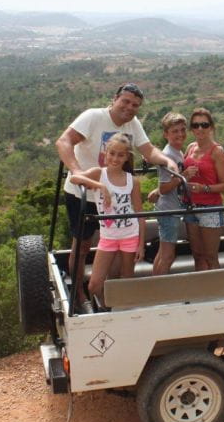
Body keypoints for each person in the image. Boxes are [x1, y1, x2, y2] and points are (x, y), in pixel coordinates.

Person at [55, 83, 177, 312]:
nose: (129, 107)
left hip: (116, 199)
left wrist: (167, 161)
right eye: (126, 101)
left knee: (114, 242)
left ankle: (110, 295)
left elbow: (148, 150)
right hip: (84, 195)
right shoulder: (93, 117)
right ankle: (79, 293)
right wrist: (77, 171)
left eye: (135, 105)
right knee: (81, 245)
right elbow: (64, 141)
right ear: (115, 99)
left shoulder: (133, 124)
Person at [67, 134, 144, 309]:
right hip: (108, 236)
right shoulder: (98, 174)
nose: (115, 158)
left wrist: (140, 243)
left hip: (129, 235)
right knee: (94, 285)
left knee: (126, 279)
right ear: (105, 153)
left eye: (121, 155)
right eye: (112, 153)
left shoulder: (133, 181)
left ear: (127, 157)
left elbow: (139, 213)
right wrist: (101, 187)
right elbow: (74, 178)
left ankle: (123, 311)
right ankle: (107, 308)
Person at [182, 108, 224, 270]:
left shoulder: (217, 152)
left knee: (210, 256)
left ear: (211, 127)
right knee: (197, 255)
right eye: (196, 125)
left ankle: (218, 293)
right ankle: (202, 292)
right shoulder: (190, 148)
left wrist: (204, 188)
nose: (200, 129)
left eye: (204, 124)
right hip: (190, 206)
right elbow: (182, 177)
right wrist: (185, 175)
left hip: (210, 208)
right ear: (191, 129)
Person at [146, 112, 188, 275]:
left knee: (163, 253)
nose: (180, 134)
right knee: (168, 255)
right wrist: (184, 177)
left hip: (171, 208)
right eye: (175, 131)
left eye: (182, 130)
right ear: (166, 134)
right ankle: (158, 291)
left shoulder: (177, 152)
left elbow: (161, 187)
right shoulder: (168, 155)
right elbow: (164, 188)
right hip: (169, 210)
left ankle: (155, 287)